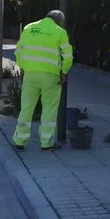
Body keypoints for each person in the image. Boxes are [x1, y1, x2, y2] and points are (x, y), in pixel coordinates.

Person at [12, 10, 73, 151]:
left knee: (26, 108)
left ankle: (20, 141)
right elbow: (68, 55)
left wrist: (22, 68)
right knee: (49, 109)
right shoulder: (60, 32)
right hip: (51, 76)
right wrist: (64, 72)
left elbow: (19, 50)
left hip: (30, 75)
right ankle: (46, 143)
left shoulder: (28, 28)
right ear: (59, 21)